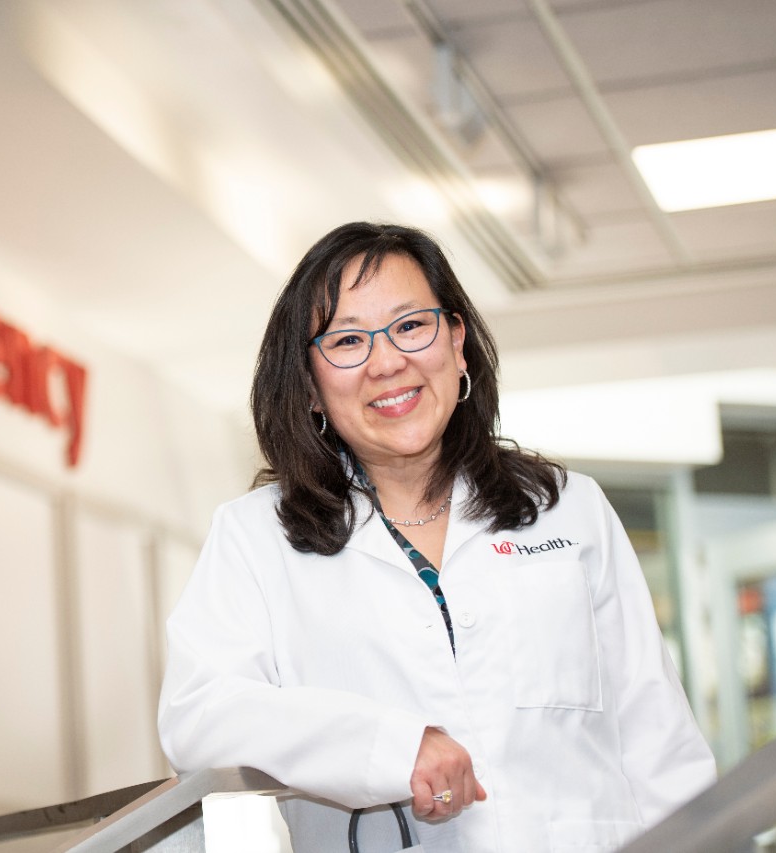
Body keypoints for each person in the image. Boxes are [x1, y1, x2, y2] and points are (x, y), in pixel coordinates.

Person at [157, 222, 716, 852]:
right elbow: (199, 715)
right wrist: (389, 746)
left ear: (458, 343)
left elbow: (657, 736)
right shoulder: (256, 536)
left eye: (411, 326)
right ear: (310, 386)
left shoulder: (568, 510)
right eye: (347, 341)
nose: (388, 362)